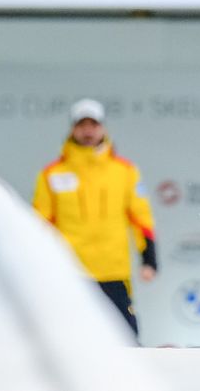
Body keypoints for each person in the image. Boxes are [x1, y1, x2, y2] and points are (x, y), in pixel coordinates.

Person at [32, 98, 157, 336]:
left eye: (93, 124)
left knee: (127, 340)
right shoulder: (52, 173)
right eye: (82, 124)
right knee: (68, 340)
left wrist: (149, 259)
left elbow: (141, 218)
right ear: (72, 128)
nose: (88, 131)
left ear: (103, 128)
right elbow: (40, 224)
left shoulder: (125, 171)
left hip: (113, 271)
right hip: (71, 273)